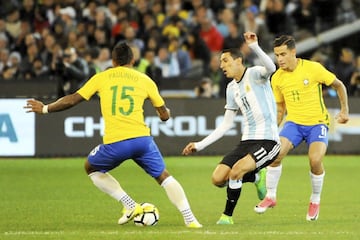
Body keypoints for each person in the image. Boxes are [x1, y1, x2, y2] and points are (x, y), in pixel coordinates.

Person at [24, 42, 202, 228]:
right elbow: (164, 116)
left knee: (91, 167)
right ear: (133, 60)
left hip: (117, 142)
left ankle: (130, 205)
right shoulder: (145, 80)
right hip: (142, 140)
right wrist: (166, 113)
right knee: (164, 177)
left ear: (113, 60)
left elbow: (71, 100)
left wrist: (45, 108)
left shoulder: (102, 77)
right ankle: (191, 219)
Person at [182, 32, 281, 225]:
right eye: (221, 62)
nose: (221, 65)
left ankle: (227, 216)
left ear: (238, 60)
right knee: (218, 179)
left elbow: (271, 67)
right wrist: (200, 145)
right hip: (247, 141)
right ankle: (254, 177)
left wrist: (254, 46)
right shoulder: (231, 88)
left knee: (235, 172)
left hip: (268, 140)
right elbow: (226, 124)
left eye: (225, 61)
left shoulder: (255, 74)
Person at [254, 35, 349, 221]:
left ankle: (315, 200)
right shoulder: (277, 78)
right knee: (275, 154)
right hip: (294, 123)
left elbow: (339, 86)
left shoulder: (313, 68)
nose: (279, 59)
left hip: (317, 123)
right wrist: (273, 129)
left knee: (315, 160)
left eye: (283, 54)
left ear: (293, 52)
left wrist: (344, 110)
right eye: (276, 55)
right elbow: (280, 107)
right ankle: (271, 196)